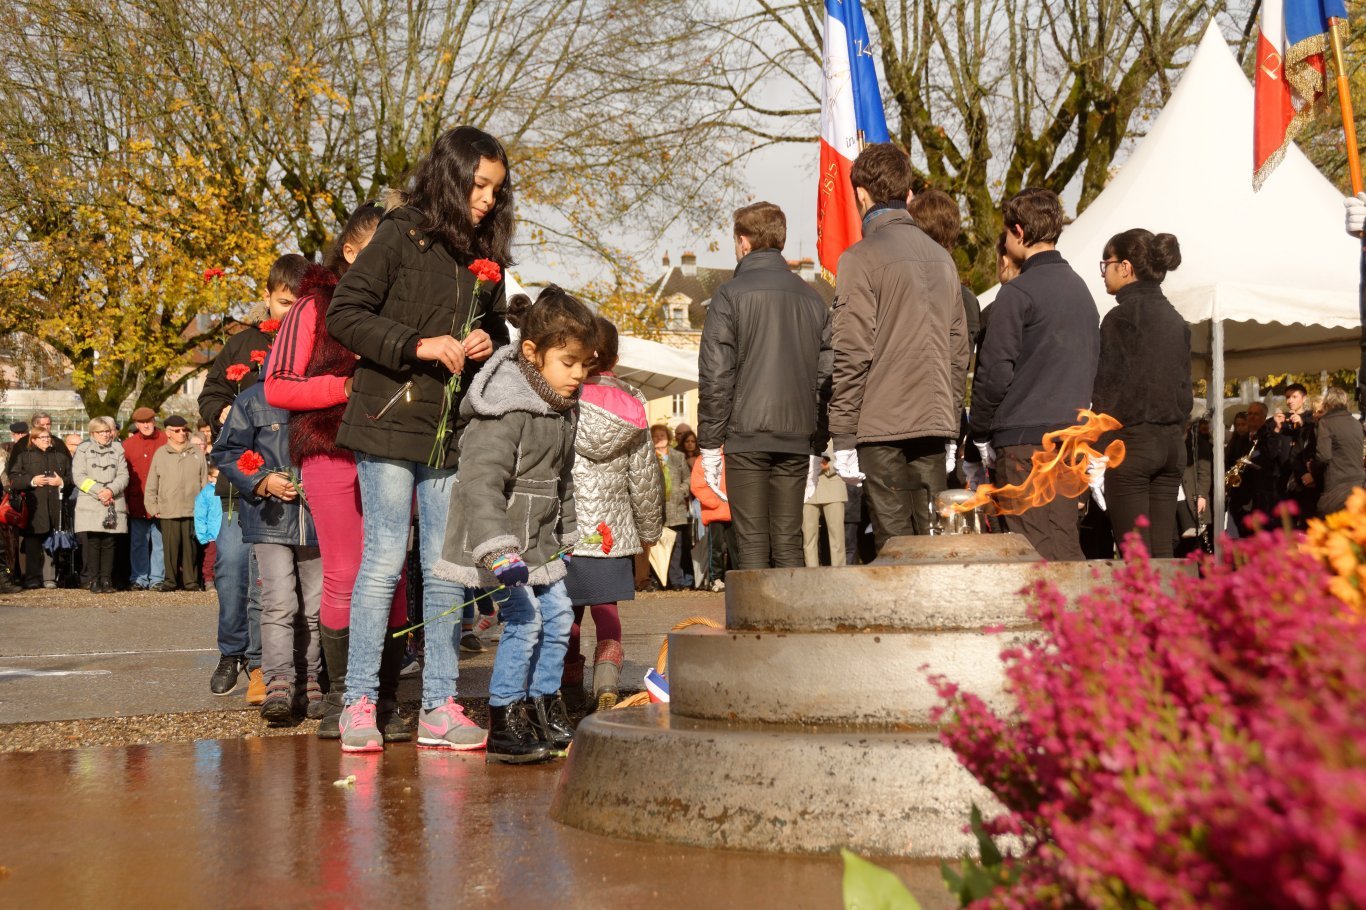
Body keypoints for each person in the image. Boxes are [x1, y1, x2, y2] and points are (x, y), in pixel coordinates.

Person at [326, 125, 512, 754]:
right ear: (451, 177)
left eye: (495, 189)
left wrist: (489, 346)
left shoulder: (486, 255)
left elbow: (497, 340)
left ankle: (437, 704)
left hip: (449, 426)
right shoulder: (399, 232)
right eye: (479, 185)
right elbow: (345, 314)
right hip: (388, 417)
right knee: (382, 559)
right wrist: (418, 344)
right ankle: (359, 701)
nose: (487, 199)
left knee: (444, 568)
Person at [264, 202, 413, 741]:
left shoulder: (403, 306)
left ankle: (388, 699)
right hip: (330, 448)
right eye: (381, 250)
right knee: (346, 571)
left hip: (394, 447)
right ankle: (345, 697)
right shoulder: (313, 305)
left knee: (394, 572)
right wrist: (344, 389)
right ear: (350, 252)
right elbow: (278, 383)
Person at [424, 286, 592, 763]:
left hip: (539, 543)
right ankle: (505, 716)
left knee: (559, 618)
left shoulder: (563, 411)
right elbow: (479, 484)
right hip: (497, 543)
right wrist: (497, 549)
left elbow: (563, 483)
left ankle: (543, 705)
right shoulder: (504, 409)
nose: (578, 375)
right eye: (568, 363)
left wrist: (569, 534)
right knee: (524, 617)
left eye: (585, 365)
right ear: (534, 353)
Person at [830, 145, 968, 546]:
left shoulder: (859, 258)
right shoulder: (943, 258)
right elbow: (959, 351)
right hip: (933, 418)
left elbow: (852, 352)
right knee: (931, 539)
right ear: (907, 193)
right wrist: (950, 423)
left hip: (881, 425)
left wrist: (842, 435)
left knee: (895, 545)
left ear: (861, 195)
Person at [698, 201, 831, 569]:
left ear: (743, 241)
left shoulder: (730, 294)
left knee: (752, 542)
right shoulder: (814, 299)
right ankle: (790, 626)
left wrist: (710, 442)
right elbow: (826, 378)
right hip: (797, 436)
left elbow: (716, 375)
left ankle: (756, 626)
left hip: (747, 432)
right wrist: (817, 444)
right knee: (789, 542)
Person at [970, 188, 1099, 561]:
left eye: (1008, 235)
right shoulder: (1081, 290)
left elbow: (994, 373)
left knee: (1030, 551)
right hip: (1069, 438)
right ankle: (1078, 618)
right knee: (1063, 541)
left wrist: (978, 432)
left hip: (1025, 441)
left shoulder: (1017, 293)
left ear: (1019, 232)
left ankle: (1051, 620)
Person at [560, 316, 664, 712]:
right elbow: (645, 481)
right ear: (616, 358)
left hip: (567, 530)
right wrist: (648, 535)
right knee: (607, 612)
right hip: (612, 532)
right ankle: (606, 683)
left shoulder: (562, 398)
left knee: (567, 612)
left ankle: (568, 684)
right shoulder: (633, 411)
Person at [215, 382, 324, 726]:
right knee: (277, 600)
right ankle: (278, 680)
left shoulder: (325, 391)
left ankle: (310, 680)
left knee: (314, 604)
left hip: (317, 518)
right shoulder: (253, 397)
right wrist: (263, 481)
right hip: (270, 517)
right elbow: (228, 451)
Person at [1091, 229, 1192, 557]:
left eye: (1106, 263)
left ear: (1125, 266)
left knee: (1136, 561)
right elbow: (1185, 393)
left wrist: (1096, 453)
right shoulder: (1176, 319)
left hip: (1132, 447)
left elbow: (1107, 391)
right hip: (1172, 446)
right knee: (1163, 554)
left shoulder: (1119, 317)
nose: (1103, 271)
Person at [197, 254, 311, 437]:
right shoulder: (240, 345)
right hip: (257, 450)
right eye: (285, 303)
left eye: (301, 305)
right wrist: (221, 411)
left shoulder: (323, 343)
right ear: (267, 297)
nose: (293, 312)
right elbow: (212, 394)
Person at [144, 416, 208, 591]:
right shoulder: (160, 454)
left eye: (184, 430)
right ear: (168, 433)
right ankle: (170, 580)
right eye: (177, 430)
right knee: (170, 548)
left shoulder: (197, 452)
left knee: (191, 549)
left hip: (192, 509)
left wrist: (204, 507)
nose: (182, 433)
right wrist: (153, 506)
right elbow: (151, 484)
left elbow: (204, 482)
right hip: (168, 509)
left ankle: (191, 581)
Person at [9, 426, 73, 589]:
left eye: (48, 437)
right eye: (42, 437)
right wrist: (32, 481)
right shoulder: (24, 457)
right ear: (34, 440)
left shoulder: (60, 457)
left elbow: (73, 479)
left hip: (55, 506)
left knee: (50, 543)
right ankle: (32, 577)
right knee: (32, 544)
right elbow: (14, 480)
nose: (46, 439)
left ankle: (49, 578)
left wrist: (62, 482)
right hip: (33, 507)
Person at [71, 417, 128, 593]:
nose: (106, 435)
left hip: (113, 498)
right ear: (93, 434)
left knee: (110, 541)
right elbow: (78, 476)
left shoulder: (118, 448)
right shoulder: (83, 449)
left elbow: (123, 475)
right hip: (91, 500)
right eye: (101, 432)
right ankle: (93, 580)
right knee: (94, 541)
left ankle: (106, 580)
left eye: (107, 431)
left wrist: (110, 490)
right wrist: (99, 491)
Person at [123, 408, 167, 590]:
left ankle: (157, 578)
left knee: (160, 543)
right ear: (136, 424)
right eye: (142, 422)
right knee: (138, 542)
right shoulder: (128, 445)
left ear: (154, 421)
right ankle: (139, 578)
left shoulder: (166, 440)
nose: (146, 425)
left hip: (161, 500)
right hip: (137, 501)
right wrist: (124, 500)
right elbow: (123, 474)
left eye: (149, 421)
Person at [1313, 386, 1364, 516]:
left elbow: (1323, 456)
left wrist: (1312, 467)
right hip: (1359, 486)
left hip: (1337, 488)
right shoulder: (1356, 423)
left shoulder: (1326, 422)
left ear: (1327, 403)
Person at [652, 425, 692, 587]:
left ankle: (676, 581)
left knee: (677, 548)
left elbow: (688, 479)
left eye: (662, 436)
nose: (659, 439)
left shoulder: (678, 456)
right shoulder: (648, 456)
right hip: (656, 510)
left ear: (668, 437)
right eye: (655, 436)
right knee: (657, 548)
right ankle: (659, 581)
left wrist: (680, 491)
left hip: (677, 508)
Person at [689, 444, 732, 588]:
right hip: (716, 512)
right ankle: (716, 579)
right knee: (717, 547)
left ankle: (733, 577)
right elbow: (697, 485)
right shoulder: (703, 460)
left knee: (735, 547)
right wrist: (714, 502)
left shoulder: (732, 456)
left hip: (732, 510)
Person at [803, 453, 847, 567]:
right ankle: (812, 576)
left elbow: (847, 456)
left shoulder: (835, 435)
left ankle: (839, 576)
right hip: (807, 485)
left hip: (833, 485)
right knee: (808, 538)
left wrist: (827, 466)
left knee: (837, 537)